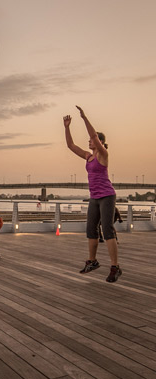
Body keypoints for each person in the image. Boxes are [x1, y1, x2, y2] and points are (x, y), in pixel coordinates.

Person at [63, 106, 121, 282]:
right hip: (94, 197)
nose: (89, 141)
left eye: (92, 139)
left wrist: (84, 117)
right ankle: (93, 261)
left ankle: (115, 267)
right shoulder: (88, 156)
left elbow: (94, 135)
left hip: (107, 195)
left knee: (107, 230)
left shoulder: (103, 154)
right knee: (91, 230)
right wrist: (67, 127)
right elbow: (71, 146)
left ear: (100, 142)